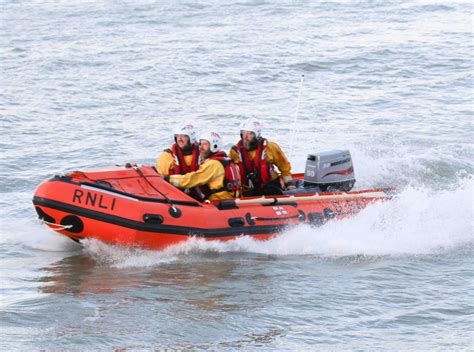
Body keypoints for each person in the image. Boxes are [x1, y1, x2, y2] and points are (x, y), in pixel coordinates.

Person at [164, 131, 241, 201]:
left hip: (219, 202)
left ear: (214, 145)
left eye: (204, 144)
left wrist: (168, 179)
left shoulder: (213, 164)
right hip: (231, 200)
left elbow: (192, 179)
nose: (200, 147)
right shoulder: (227, 160)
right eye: (200, 144)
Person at [229, 117, 294, 196]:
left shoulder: (271, 147)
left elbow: (284, 167)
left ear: (257, 135)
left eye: (250, 134)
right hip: (247, 189)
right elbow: (228, 170)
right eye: (243, 133)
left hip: (270, 187)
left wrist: (289, 184)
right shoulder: (235, 151)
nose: (245, 137)